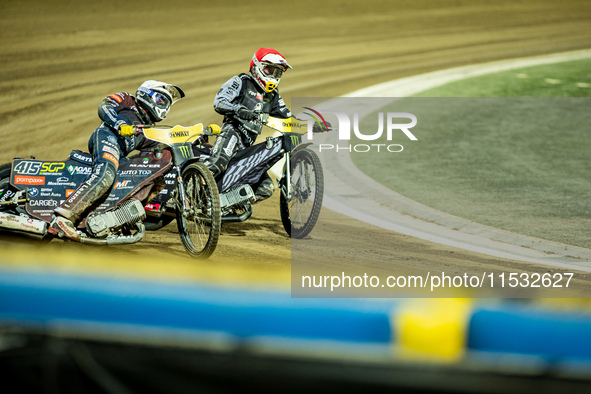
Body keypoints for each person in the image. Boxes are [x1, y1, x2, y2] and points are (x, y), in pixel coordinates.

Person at [49, 80, 185, 240]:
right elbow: (105, 105)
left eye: (167, 103)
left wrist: (192, 139)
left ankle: (115, 217)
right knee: (106, 174)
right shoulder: (128, 99)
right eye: (161, 100)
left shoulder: (147, 129)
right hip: (106, 136)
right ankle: (63, 218)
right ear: (146, 94)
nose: (164, 106)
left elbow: (160, 147)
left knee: (155, 179)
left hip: (120, 155)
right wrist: (119, 124)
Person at [206, 47, 293, 202]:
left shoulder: (272, 96)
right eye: (269, 70)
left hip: (247, 147)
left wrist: (311, 124)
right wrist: (238, 109)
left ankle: (226, 206)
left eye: (277, 72)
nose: (273, 76)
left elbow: (288, 117)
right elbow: (219, 102)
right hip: (232, 133)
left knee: (266, 187)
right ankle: (188, 195)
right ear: (256, 67)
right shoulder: (241, 82)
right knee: (218, 164)